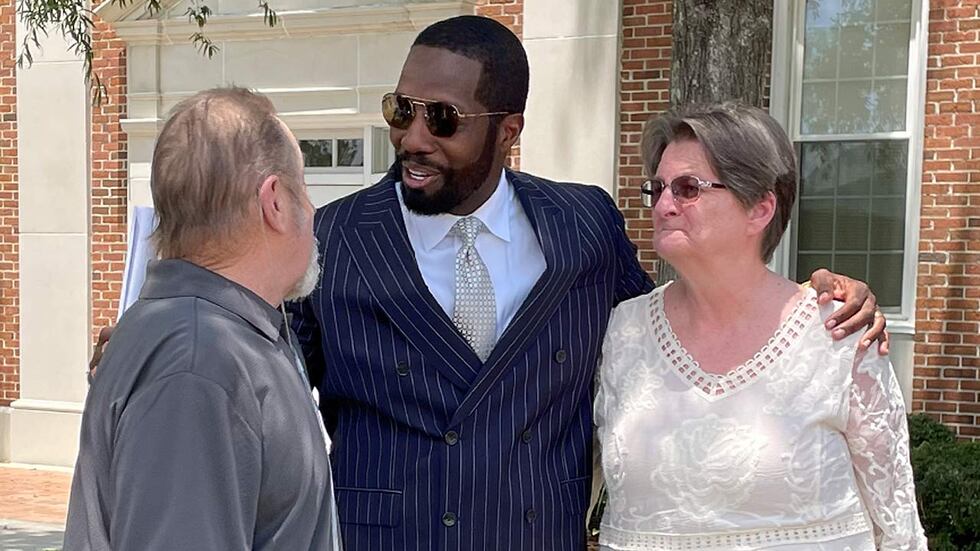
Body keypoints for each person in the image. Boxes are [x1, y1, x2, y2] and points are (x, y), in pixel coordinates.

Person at [288, 16, 887, 550]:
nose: (413, 138)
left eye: (442, 119)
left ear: (508, 131)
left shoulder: (583, 228)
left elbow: (679, 326)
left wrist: (809, 301)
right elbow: (269, 401)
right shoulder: (332, 240)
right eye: (401, 109)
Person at [593, 102, 926, 550]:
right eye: (658, 188)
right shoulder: (621, 332)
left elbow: (897, 522)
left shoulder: (839, 332)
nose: (665, 204)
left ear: (760, 209)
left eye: (688, 188)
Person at [64, 88, 342, 550]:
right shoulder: (199, 362)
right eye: (304, 190)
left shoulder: (228, 337)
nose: (312, 210)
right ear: (274, 202)